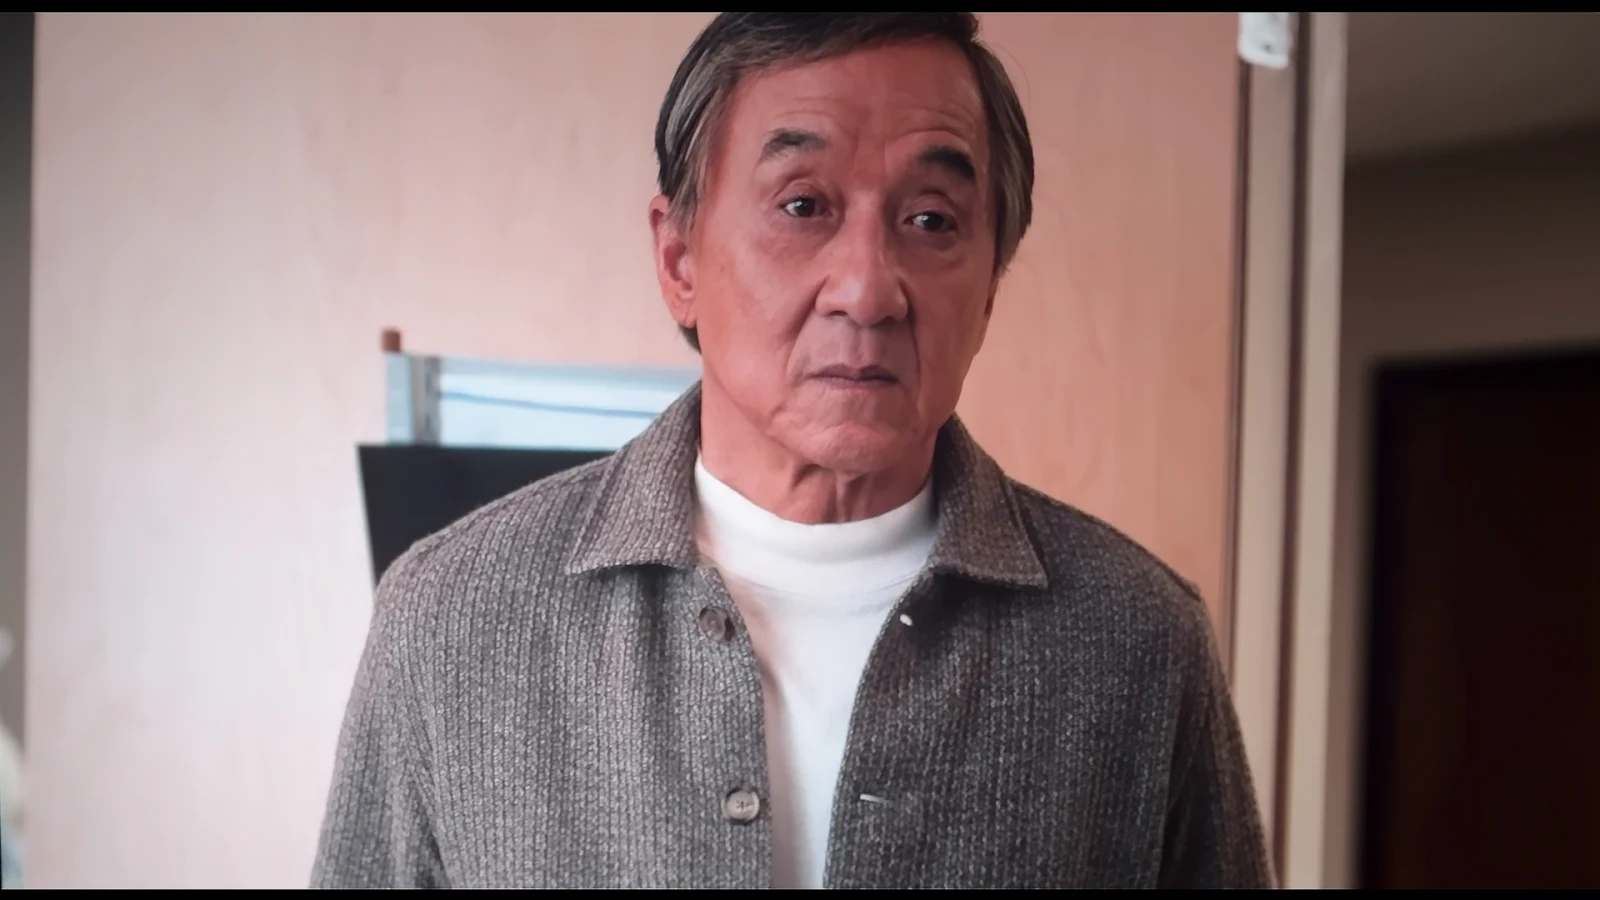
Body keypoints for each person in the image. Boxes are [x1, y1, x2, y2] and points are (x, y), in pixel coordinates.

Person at [311, 12, 1273, 890]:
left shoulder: (1139, 641)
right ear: (679, 260)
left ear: (989, 288)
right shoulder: (451, 618)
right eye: (803, 206)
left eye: (931, 220)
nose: (867, 289)